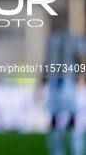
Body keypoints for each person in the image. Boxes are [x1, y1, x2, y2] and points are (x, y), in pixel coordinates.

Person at [45, 14, 85, 155]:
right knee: (54, 117)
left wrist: (81, 76)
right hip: (54, 80)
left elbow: (80, 57)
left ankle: (77, 150)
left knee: (73, 115)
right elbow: (46, 60)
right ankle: (56, 151)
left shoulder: (72, 37)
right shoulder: (51, 39)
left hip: (68, 80)